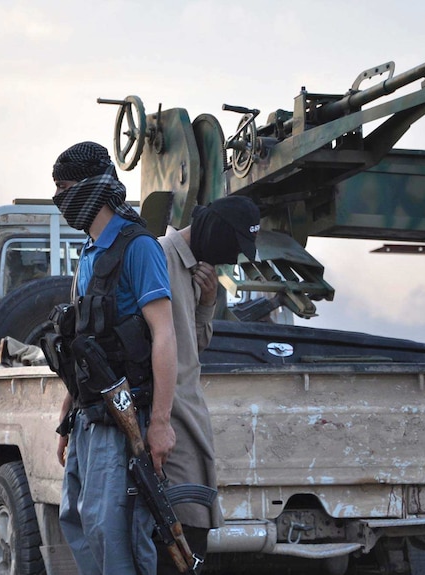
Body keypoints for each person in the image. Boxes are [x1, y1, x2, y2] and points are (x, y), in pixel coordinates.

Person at [51, 141, 178, 575]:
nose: (60, 200)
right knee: (78, 521)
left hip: (126, 417)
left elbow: (164, 334)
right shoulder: (89, 253)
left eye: (65, 189)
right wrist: (67, 418)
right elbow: (83, 346)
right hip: (90, 418)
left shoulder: (137, 247)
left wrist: (160, 422)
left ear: (89, 189)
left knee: (115, 531)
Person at [156, 195, 260, 574]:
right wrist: (159, 421)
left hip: (188, 418)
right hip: (171, 420)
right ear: (215, 232)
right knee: (182, 531)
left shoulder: (197, 271)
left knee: (193, 530)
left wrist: (207, 302)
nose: (232, 258)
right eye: (233, 246)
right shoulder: (160, 258)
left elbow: (191, 344)